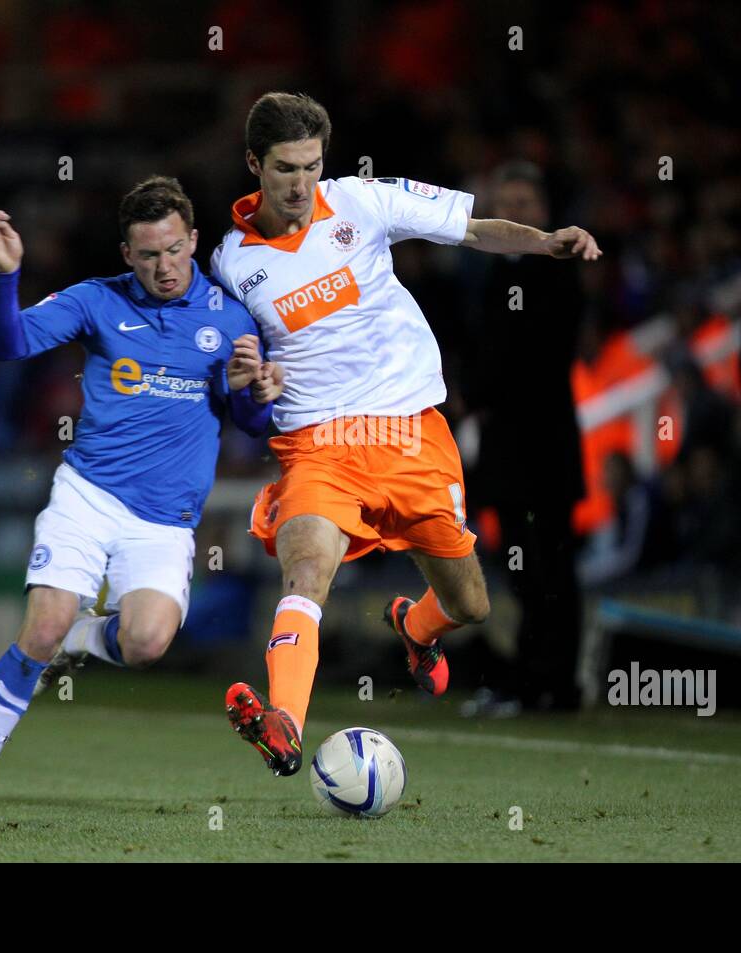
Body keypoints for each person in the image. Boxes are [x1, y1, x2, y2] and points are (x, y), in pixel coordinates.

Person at [209, 92, 602, 776]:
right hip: (317, 443)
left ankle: (416, 628)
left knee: (471, 603)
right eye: (283, 169)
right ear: (254, 165)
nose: (300, 183)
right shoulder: (231, 264)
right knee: (307, 570)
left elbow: (474, 229)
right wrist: (248, 383)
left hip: (411, 431)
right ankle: (286, 724)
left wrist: (542, 242)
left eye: (310, 165)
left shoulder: (363, 200)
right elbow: (230, 377)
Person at [0, 176, 283, 815]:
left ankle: (80, 639)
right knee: (41, 627)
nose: (164, 267)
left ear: (194, 241)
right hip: (88, 498)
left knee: (148, 642)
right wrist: (9, 276)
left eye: (175, 250)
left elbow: (253, 426)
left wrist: (250, 392)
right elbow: (9, 345)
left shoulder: (230, 317)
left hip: (165, 521)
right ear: (127, 253)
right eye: (148, 255)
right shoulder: (97, 301)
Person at [465, 160, 586, 712]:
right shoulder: (492, 273)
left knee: (550, 571)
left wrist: (481, 389)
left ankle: (553, 683)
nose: (514, 215)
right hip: (508, 457)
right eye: (505, 204)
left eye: (524, 205)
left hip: (545, 452)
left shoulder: (558, 269)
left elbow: (528, 360)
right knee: (520, 570)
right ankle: (534, 679)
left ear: (544, 213)